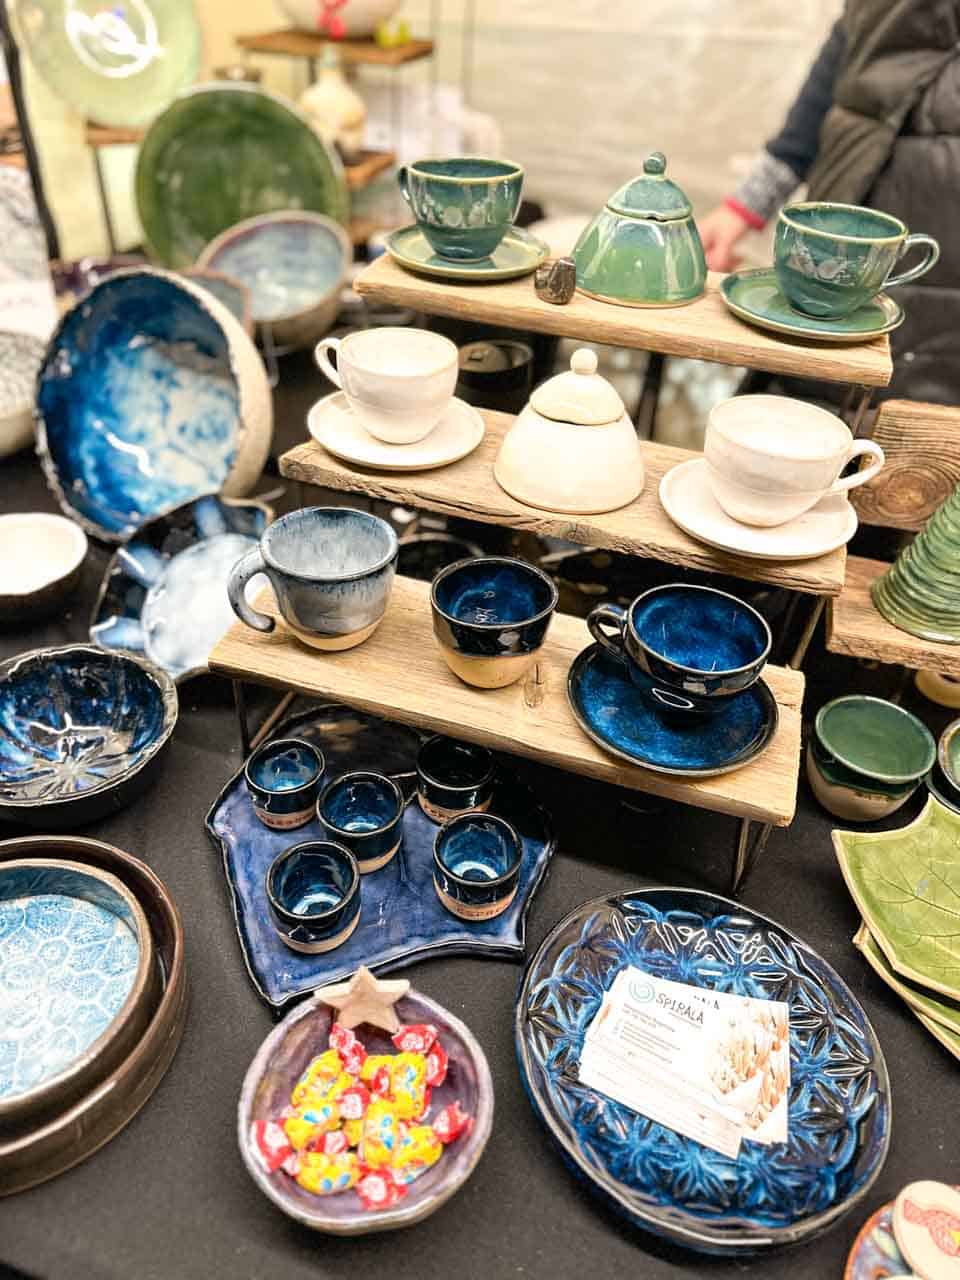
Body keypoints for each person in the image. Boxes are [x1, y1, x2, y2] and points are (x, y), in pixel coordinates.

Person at [698, 0, 960, 405]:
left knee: (913, 422)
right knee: (806, 401)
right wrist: (747, 205)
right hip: (847, 199)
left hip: (943, 247)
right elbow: (847, 55)